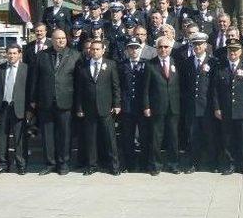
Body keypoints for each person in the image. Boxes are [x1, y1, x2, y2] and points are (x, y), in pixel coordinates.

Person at [31, 29, 81, 175]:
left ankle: (63, 163)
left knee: (65, 134)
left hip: (66, 101)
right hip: (46, 101)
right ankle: (50, 163)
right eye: (58, 38)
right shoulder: (41, 56)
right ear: (51, 40)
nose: (61, 41)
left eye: (63, 38)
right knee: (48, 134)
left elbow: (79, 84)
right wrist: (33, 99)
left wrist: (78, 104)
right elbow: (35, 79)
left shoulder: (75, 55)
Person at [75, 40, 121, 176]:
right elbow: (79, 90)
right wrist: (79, 107)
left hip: (106, 108)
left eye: (97, 49)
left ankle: (114, 166)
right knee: (90, 139)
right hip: (89, 109)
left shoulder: (111, 64)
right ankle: (92, 165)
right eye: (92, 49)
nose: (94, 51)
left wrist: (117, 104)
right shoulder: (83, 66)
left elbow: (116, 86)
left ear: (103, 50)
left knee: (110, 139)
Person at [212, 38, 243, 175]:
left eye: (235, 50)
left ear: (240, 52)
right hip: (226, 110)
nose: (232, 52)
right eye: (230, 50)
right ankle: (230, 163)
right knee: (228, 138)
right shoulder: (220, 67)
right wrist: (217, 108)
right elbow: (215, 91)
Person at [143, 36, 182, 175]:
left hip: (174, 106)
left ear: (170, 48)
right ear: (156, 48)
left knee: (173, 137)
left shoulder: (176, 62)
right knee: (156, 138)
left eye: (166, 47)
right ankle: (155, 165)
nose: (163, 49)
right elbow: (145, 88)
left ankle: (174, 164)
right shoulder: (150, 64)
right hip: (157, 107)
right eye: (160, 47)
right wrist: (146, 106)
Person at [0, 44, 30, 175]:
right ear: (6, 54)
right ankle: (3, 164)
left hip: (19, 108)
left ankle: (21, 164)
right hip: (2, 108)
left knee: (20, 138)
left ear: (19, 54)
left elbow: (29, 91)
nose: (12, 56)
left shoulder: (26, 69)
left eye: (14, 53)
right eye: (9, 53)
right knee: (2, 137)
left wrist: (30, 110)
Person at [181, 32, 219, 173]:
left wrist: (215, 107)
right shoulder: (187, 62)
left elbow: (215, 86)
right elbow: (184, 85)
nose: (197, 46)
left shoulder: (213, 62)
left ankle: (212, 163)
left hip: (207, 107)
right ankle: (193, 163)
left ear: (205, 45)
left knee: (210, 136)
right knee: (193, 137)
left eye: (200, 44)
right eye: (195, 44)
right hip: (192, 106)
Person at [118, 37, 149, 173]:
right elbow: (118, 86)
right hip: (127, 107)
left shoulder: (147, 64)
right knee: (127, 137)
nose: (134, 50)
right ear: (127, 50)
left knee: (144, 136)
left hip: (142, 106)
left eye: (136, 47)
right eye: (131, 47)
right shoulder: (121, 65)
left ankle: (144, 164)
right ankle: (129, 164)